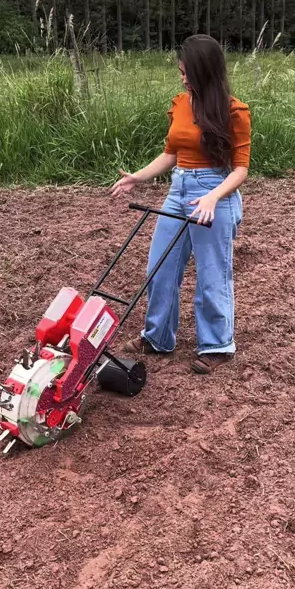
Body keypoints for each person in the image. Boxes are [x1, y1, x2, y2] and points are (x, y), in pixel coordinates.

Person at [110, 34, 251, 375]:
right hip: (178, 190)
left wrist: (214, 196)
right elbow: (171, 154)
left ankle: (216, 345)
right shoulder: (180, 104)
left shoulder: (234, 111)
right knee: (160, 266)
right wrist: (138, 177)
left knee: (212, 273)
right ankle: (157, 337)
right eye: (181, 72)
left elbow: (241, 170)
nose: (184, 78)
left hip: (214, 194)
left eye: (189, 73)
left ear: (206, 72)